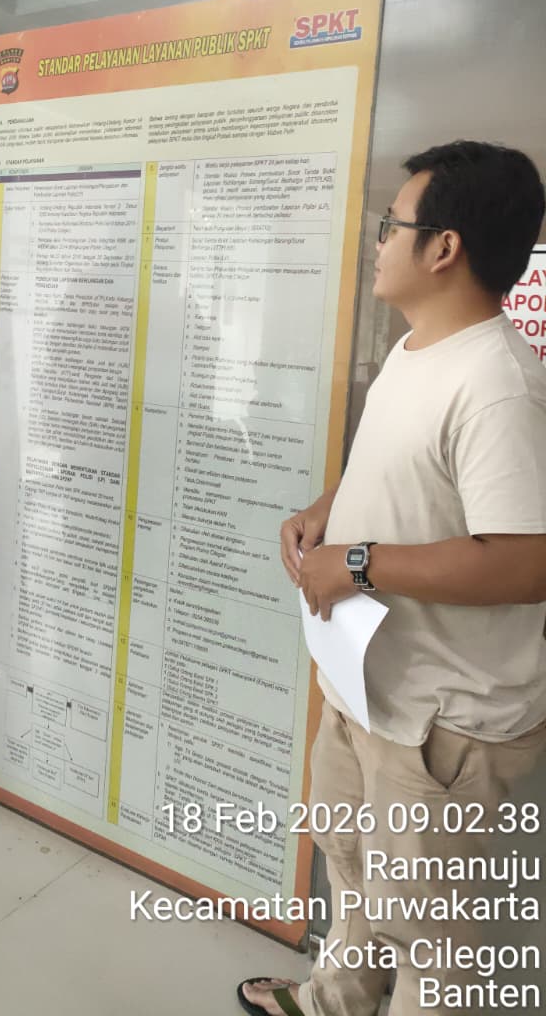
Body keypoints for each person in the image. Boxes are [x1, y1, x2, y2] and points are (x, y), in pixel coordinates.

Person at [239, 141, 546, 1016]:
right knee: (352, 868)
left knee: (429, 935)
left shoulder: (500, 384)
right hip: (368, 683)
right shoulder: (418, 349)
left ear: (444, 247)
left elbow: (526, 560)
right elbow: (401, 474)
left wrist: (359, 562)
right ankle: (336, 1000)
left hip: (441, 720)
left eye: (391, 224)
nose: (378, 241)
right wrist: (326, 512)